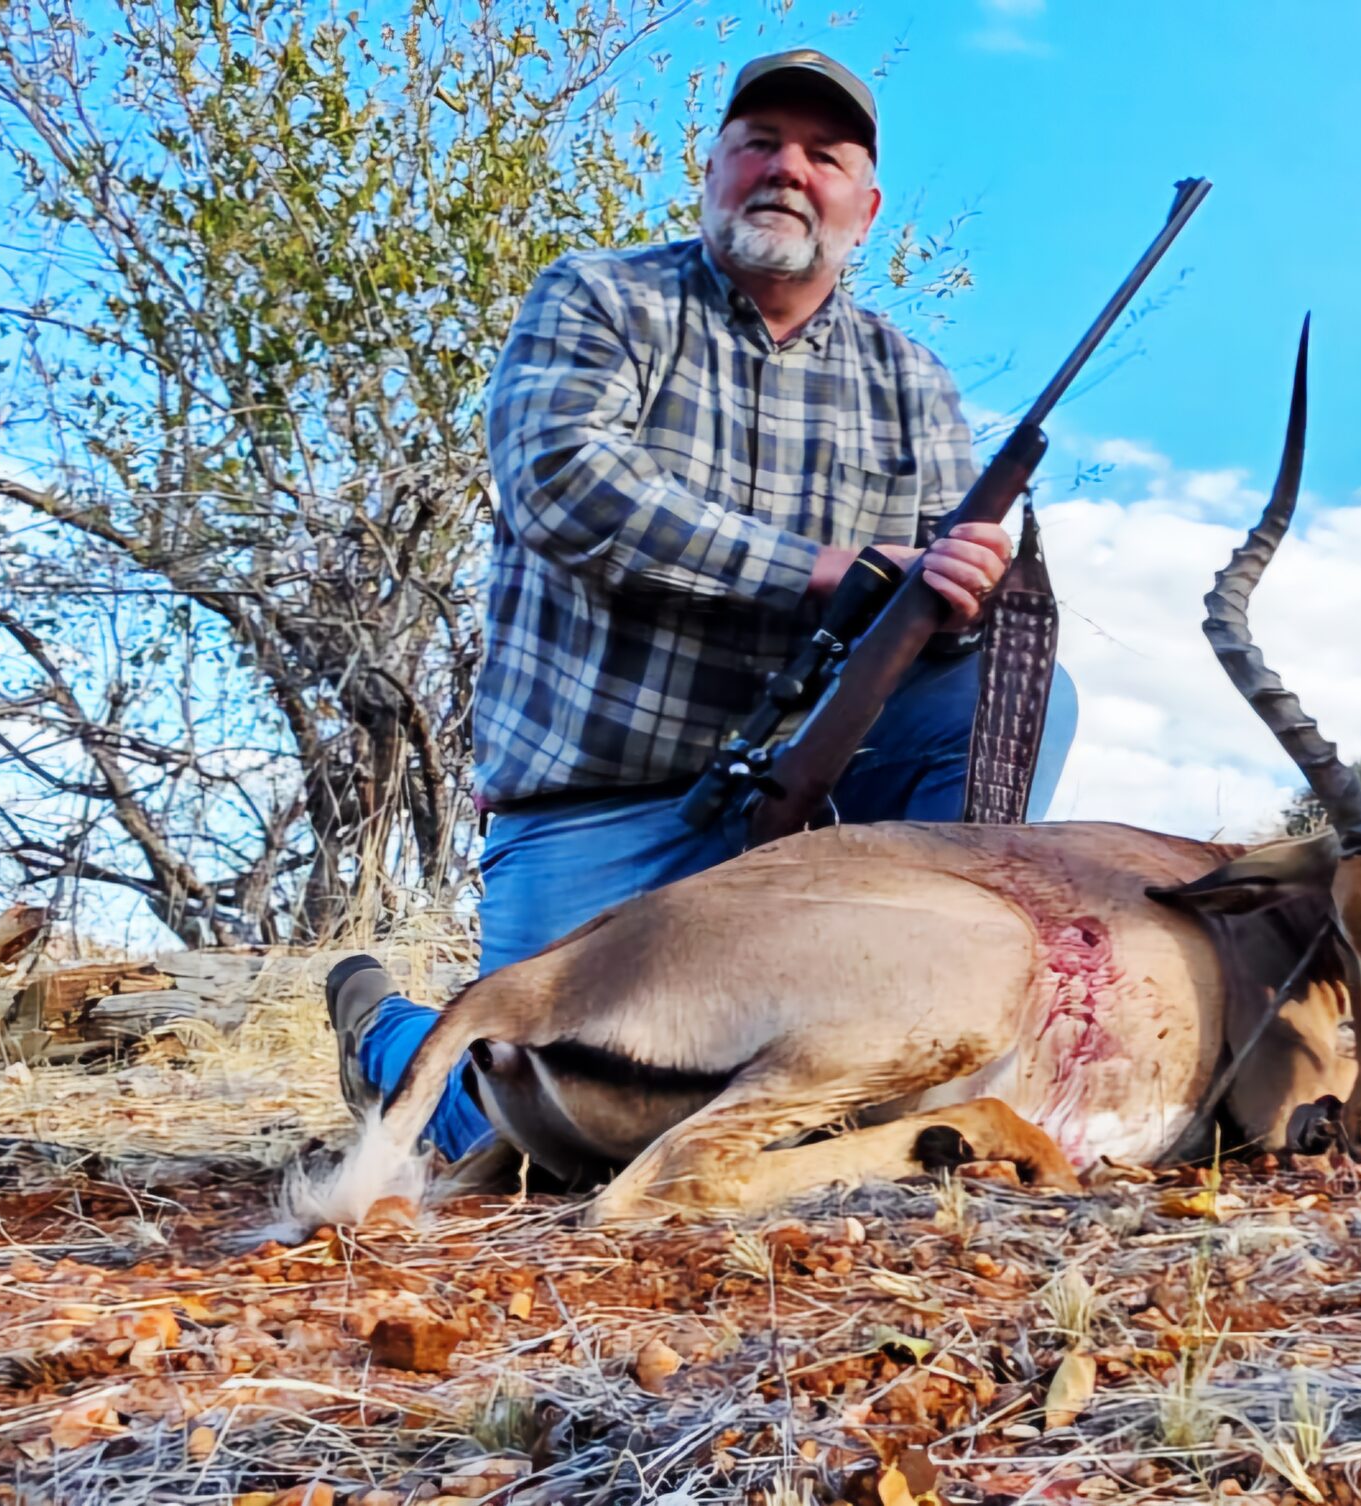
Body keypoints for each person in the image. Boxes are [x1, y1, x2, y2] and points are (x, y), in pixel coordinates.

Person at [327, 48, 1077, 1158]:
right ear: (712, 170)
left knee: (1020, 691)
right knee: (530, 1130)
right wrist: (828, 572)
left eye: (823, 156)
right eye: (759, 144)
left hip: (806, 829)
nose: (787, 169)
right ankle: (384, 1032)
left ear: (863, 209)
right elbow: (564, 485)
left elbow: (916, 616)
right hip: (601, 809)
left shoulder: (913, 381)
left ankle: (929, 994)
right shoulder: (600, 298)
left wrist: (960, 597)